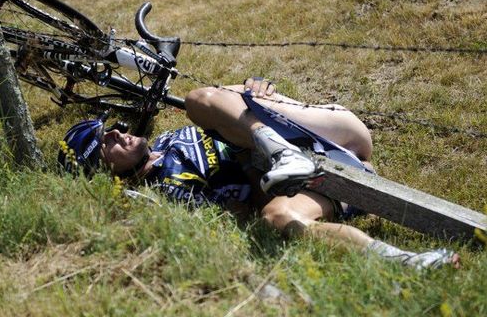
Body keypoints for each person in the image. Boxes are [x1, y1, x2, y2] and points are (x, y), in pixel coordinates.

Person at [59, 77, 460, 270]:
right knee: (277, 218)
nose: (116, 131)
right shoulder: (167, 196)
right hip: (327, 181)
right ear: (105, 172)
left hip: (332, 134)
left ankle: (282, 151)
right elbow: (242, 213)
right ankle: (409, 261)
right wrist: (251, 167)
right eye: (105, 141)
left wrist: (254, 93)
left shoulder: (171, 134)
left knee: (202, 99)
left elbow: (225, 99)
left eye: (110, 126)